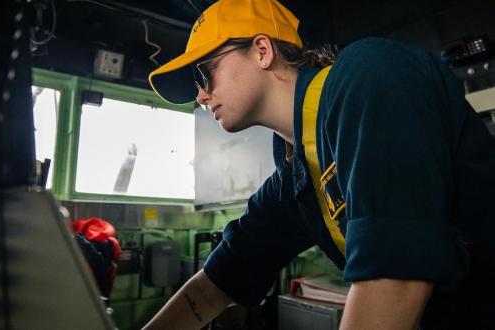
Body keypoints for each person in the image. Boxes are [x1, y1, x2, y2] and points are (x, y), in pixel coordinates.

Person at [144, 0, 495, 329]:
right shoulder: (296, 173)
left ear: (262, 51)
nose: (201, 96)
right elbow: (215, 284)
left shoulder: (369, 76)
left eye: (205, 74)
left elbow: (396, 278)